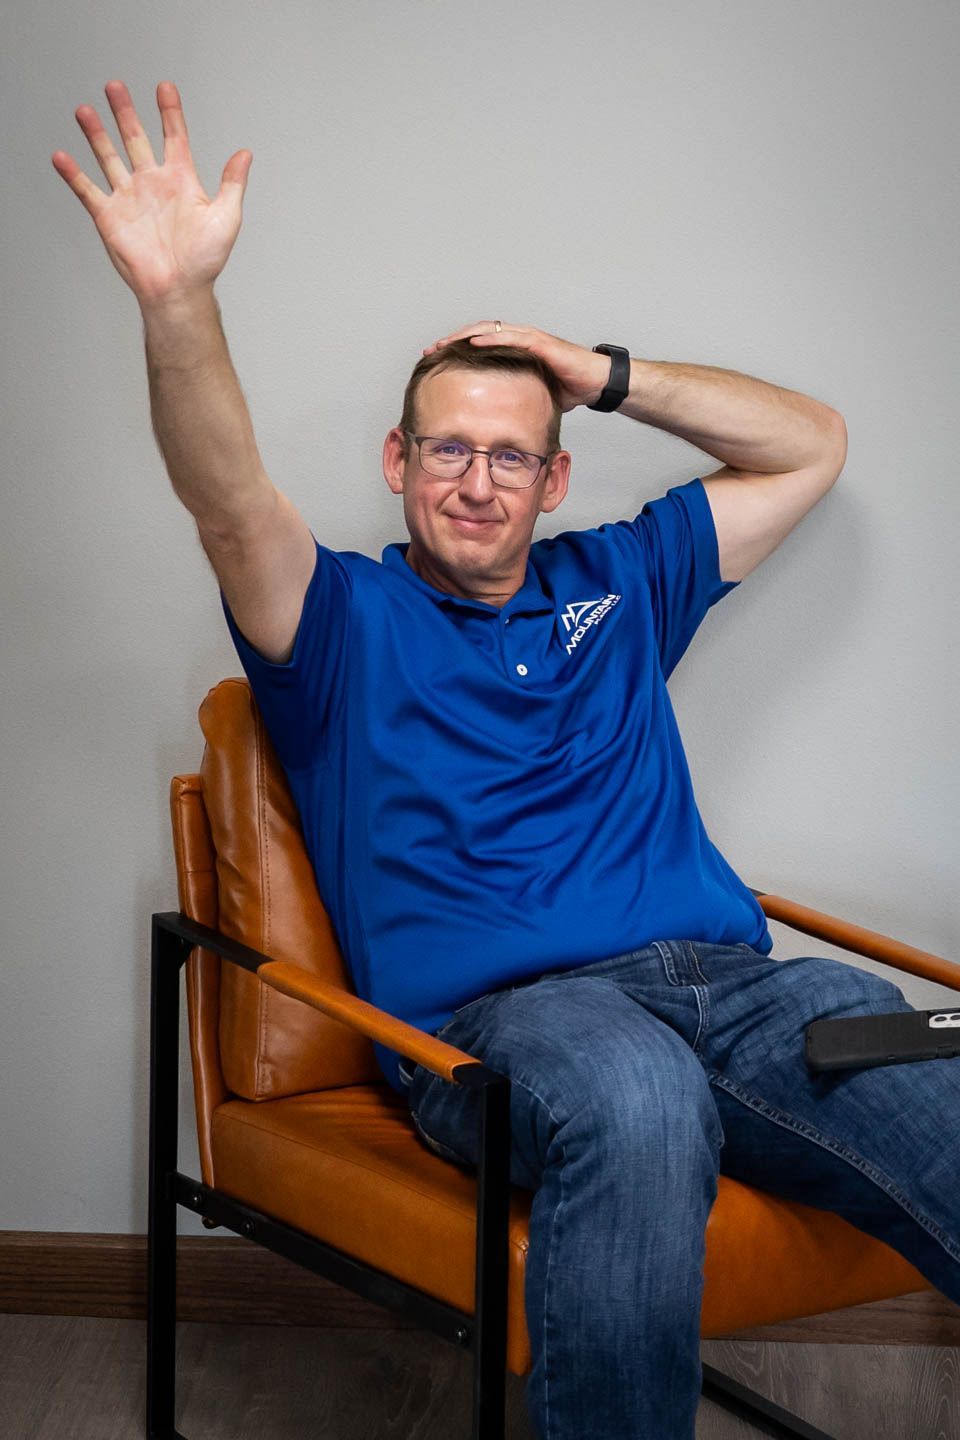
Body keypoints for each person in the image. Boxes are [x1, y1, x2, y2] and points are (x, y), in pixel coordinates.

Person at [55, 79, 960, 1440]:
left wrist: (598, 371)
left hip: (735, 986)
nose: (475, 481)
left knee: (928, 1076)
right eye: (447, 450)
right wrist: (177, 301)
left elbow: (811, 445)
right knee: (641, 1099)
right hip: (509, 1025)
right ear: (398, 461)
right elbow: (228, 498)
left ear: (554, 481)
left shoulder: (628, 578)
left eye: (510, 457)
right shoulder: (341, 623)